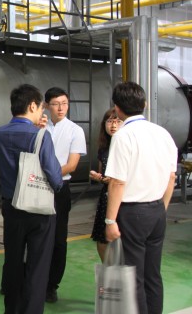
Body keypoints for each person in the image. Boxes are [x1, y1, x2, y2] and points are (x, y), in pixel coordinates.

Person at [104, 82, 177, 314]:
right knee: (153, 274)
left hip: (132, 212)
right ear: (145, 104)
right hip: (157, 210)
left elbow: (118, 182)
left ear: (117, 108)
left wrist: (110, 221)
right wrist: (161, 209)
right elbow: (171, 177)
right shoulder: (163, 133)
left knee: (134, 276)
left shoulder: (123, 136)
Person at [0, 84, 63, 314]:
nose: (42, 112)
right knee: (38, 266)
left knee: (13, 262)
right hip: (38, 209)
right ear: (32, 106)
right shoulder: (42, 136)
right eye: (41, 107)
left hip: (11, 206)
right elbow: (54, 175)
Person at [43, 87, 87, 303]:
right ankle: (33, 279)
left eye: (64, 103)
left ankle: (52, 285)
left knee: (58, 239)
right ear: (46, 106)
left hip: (60, 188)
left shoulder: (75, 131)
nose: (61, 108)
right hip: (37, 187)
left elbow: (71, 165)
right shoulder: (39, 127)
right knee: (37, 235)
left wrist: (46, 174)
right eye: (55, 104)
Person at [89, 108, 123, 261]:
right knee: (102, 239)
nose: (113, 125)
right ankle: (108, 270)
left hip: (122, 198)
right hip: (106, 197)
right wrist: (99, 177)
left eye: (117, 121)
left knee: (121, 239)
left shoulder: (125, 146)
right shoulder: (103, 149)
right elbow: (103, 174)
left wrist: (108, 180)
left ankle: (120, 271)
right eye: (109, 121)